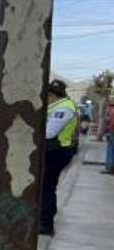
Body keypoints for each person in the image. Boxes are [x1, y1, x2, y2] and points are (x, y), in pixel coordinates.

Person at [40, 79, 79, 236]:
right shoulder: (60, 105)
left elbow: (49, 133)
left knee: (46, 187)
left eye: (47, 96)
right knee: (48, 185)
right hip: (56, 150)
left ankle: (45, 224)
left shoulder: (63, 108)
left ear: (52, 95)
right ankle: (48, 216)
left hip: (57, 151)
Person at [104, 101, 114, 175]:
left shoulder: (111, 111)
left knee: (110, 150)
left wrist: (107, 131)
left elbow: (110, 123)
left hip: (112, 132)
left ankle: (110, 168)